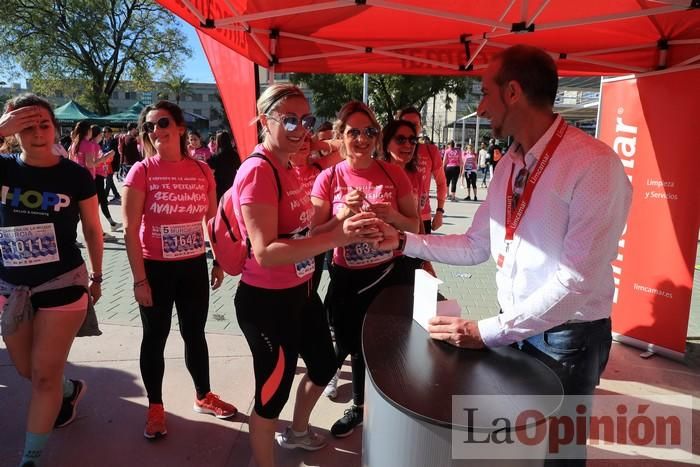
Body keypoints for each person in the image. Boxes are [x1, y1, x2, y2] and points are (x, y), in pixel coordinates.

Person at [375, 44, 632, 466]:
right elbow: (479, 244)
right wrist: (403, 243)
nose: (481, 108)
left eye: (484, 93)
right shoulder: (510, 164)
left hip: (566, 340)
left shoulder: (594, 166)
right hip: (515, 327)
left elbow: (576, 281)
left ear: (512, 92)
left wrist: (486, 331)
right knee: (512, 448)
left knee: (557, 454)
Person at [232, 85, 380, 467]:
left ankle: (297, 432)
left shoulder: (288, 165)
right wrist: (337, 236)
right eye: (291, 119)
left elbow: (302, 234)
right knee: (271, 395)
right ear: (265, 121)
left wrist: (337, 222)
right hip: (266, 303)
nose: (301, 129)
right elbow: (265, 252)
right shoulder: (258, 171)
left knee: (323, 364)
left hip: (303, 293)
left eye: (307, 120)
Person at [122, 100, 237, 440]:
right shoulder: (141, 171)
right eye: (150, 126)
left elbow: (212, 221)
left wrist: (218, 259)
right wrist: (139, 279)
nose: (155, 130)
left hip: (192, 267)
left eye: (162, 123)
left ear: (180, 128)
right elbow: (129, 230)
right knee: (154, 338)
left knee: (194, 333)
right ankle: (156, 408)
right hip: (155, 269)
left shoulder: (202, 171)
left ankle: (204, 395)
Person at [0, 94, 104, 467]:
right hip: (11, 287)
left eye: (43, 123)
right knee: (30, 371)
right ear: (15, 132)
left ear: (55, 128)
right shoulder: (4, 169)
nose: (37, 132)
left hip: (63, 282)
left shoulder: (74, 175)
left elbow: (93, 229)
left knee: (42, 377)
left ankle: (30, 459)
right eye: (27, 125)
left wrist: (97, 275)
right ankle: (69, 389)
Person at [311, 101, 419, 439]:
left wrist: (392, 217)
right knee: (348, 346)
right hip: (346, 278)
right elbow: (314, 235)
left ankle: (379, 410)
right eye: (353, 132)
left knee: (385, 350)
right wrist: (341, 217)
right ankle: (352, 408)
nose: (362, 138)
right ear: (340, 137)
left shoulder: (394, 173)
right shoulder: (328, 178)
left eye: (369, 131)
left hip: (387, 275)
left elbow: (415, 223)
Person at [397, 107, 447, 233]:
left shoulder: (431, 151)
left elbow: (441, 183)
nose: (411, 128)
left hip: (423, 218)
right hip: (396, 218)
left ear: (421, 127)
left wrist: (440, 212)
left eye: (414, 124)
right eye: (406, 124)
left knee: (420, 252)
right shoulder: (390, 150)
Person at [89, 125, 121, 233]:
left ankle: (111, 224)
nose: (103, 135)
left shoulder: (94, 145)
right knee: (97, 204)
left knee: (101, 202)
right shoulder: (93, 145)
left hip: (98, 176)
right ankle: (103, 229)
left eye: (105, 132)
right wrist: (107, 156)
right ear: (98, 135)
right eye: (102, 133)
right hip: (95, 177)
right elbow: (92, 163)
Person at [206, 130, 240, 202]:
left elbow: (210, 166)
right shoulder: (235, 154)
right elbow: (239, 166)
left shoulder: (216, 156)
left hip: (219, 184)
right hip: (232, 182)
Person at [101, 127, 121, 201]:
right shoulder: (103, 141)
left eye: (105, 132)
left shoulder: (114, 141)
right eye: (103, 132)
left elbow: (112, 152)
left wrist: (104, 154)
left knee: (108, 181)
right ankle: (116, 195)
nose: (104, 133)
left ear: (110, 133)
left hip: (111, 164)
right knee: (110, 181)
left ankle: (104, 198)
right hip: (105, 164)